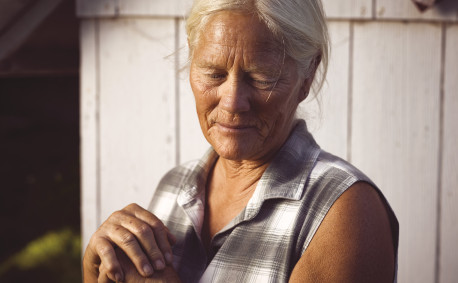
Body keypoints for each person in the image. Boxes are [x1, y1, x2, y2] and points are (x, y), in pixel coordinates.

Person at [83, 0, 399, 282]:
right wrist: (97, 270)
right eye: (213, 73)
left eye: (261, 78)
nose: (233, 102)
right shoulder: (175, 186)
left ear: (308, 75)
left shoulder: (344, 212)